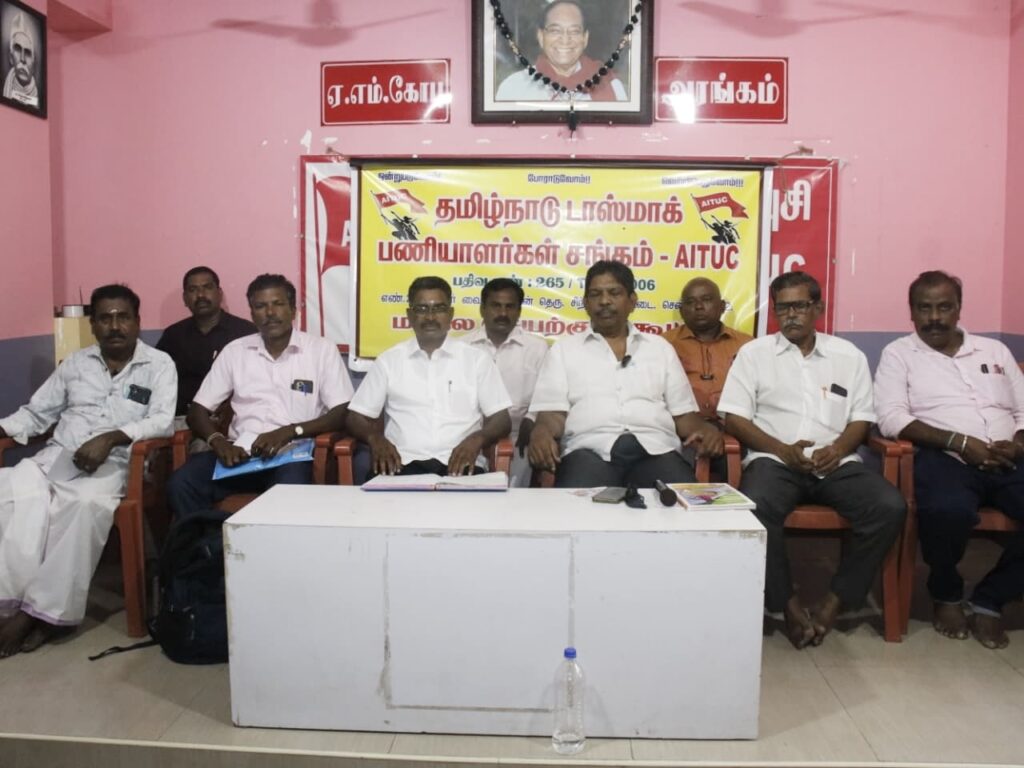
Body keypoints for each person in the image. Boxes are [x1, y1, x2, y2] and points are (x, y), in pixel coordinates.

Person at [719, 271, 905, 649]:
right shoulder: (754, 354)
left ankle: (834, 602)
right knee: (755, 507)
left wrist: (837, 449)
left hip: (835, 462)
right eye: (782, 308)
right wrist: (781, 449)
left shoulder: (848, 356)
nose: (791, 315)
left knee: (890, 506)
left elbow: (861, 419)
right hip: (774, 460)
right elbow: (734, 418)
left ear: (818, 308)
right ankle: (786, 605)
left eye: (800, 306)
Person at [0, 284, 176, 657]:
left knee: (83, 507)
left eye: (123, 317)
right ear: (93, 325)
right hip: (55, 458)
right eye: (105, 318)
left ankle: (43, 614)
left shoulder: (159, 365)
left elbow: (163, 421)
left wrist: (111, 438)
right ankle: (11, 602)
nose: (115, 326)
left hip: (116, 466)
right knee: (12, 490)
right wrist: (3, 428)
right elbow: (37, 413)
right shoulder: (76, 364)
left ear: (137, 321)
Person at [874, 270, 1024, 649]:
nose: (934, 318)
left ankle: (991, 599)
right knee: (947, 510)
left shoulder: (995, 351)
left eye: (944, 307)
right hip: (944, 457)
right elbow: (891, 417)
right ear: (911, 312)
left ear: (959, 308)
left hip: (1009, 458)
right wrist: (958, 442)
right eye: (924, 308)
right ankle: (945, 590)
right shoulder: (899, 354)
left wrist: (1018, 444)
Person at [166, 274, 353, 516]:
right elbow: (198, 411)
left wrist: (289, 431)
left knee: (290, 493)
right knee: (181, 484)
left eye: (278, 304)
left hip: (291, 455)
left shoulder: (320, 350)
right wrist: (218, 441)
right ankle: (208, 539)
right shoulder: (235, 351)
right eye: (260, 306)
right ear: (252, 314)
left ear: (293, 310)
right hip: (239, 454)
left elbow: (342, 412)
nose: (270, 313)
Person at [528, 261, 723, 488]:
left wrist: (706, 430)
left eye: (614, 293)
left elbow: (683, 415)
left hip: (656, 451)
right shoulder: (564, 350)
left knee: (682, 501)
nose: (604, 301)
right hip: (588, 451)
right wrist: (541, 431)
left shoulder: (659, 348)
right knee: (577, 505)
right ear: (585, 303)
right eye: (595, 294)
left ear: (632, 301)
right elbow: (552, 414)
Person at [346, 276, 512, 477]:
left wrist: (477, 439)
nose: (430, 317)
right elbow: (355, 417)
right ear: (409, 315)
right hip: (401, 464)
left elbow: (501, 419)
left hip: (461, 465)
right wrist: (376, 439)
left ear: (450, 314)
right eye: (422, 309)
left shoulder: (477, 360)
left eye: (439, 308)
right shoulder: (389, 360)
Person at [460, 278, 548, 486]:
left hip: (520, 435)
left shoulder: (537, 348)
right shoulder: (462, 347)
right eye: (496, 306)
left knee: (513, 493)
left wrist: (532, 419)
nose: (502, 313)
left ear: (519, 311)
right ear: (482, 309)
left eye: (510, 307)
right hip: (469, 433)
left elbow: (547, 394)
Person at [156, 266, 256, 421]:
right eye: (193, 290)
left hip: (234, 420)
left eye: (207, 287)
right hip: (182, 420)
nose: (201, 295)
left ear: (219, 293)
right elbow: (157, 381)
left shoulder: (245, 332)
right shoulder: (173, 336)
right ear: (185, 298)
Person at [495, 0, 626, 103]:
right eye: (555, 30)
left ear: (585, 38)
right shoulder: (513, 87)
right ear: (541, 36)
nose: (565, 40)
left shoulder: (610, 86)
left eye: (574, 31)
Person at [2, 10, 39, 107]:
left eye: (27, 53)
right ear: (11, 58)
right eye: (18, 49)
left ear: (33, 62)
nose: (22, 59)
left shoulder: (39, 103)